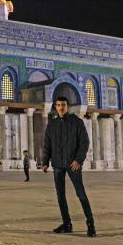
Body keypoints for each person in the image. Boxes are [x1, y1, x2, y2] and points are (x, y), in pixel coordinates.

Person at [42, 97, 96, 237]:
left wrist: (78, 160)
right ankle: (67, 224)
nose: (61, 107)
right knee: (60, 196)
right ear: (55, 106)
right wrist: (45, 161)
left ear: (68, 106)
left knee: (81, 194)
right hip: (58, 164)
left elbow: (84, 143)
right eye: (58, 105)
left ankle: (90, 224)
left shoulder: (76, 122)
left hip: (73, 165)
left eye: (63, 105)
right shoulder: (52, 124)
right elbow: (47, 144)